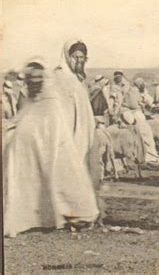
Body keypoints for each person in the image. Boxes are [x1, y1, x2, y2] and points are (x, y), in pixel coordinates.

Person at [3, 59, 99, 238]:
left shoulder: (51, 99)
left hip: (50, 145)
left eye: (39, 77)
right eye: (32, 78)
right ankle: (30, 217)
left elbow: (54, 124)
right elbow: (24, 116)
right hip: (29, 146)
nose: (35, 81)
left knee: (60, 176)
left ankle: (66, 214)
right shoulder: (32, 101)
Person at [54, 40, 96, 170]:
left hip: (81, 130)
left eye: (82, 57)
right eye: (75, 57)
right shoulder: (58, 77)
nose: (79, 61)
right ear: (67, 57)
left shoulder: (79, 80)